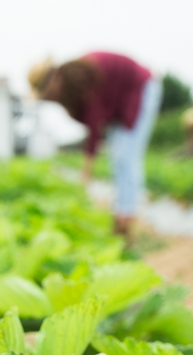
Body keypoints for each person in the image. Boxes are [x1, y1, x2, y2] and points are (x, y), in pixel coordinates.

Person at [29, 53, 162, 236]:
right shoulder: (72, 83)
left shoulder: (82, 74)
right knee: (117, 157)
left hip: (141, 88)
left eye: (46, 93)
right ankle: (121, 216)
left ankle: (127, 219)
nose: (48, 98)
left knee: (126, 157)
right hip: (121, 101)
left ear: (53, 81)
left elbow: (94, 122)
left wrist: (87, 168)